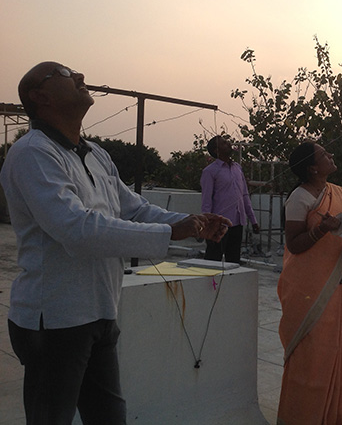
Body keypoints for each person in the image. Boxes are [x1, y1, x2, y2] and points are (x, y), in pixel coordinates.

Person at [0, 61, 232, 425]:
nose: (78, 77)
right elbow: (77, 229)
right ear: (39, 97)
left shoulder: (94, 154)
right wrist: (173, 233)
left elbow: (133, 209)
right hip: (56, 320)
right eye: (63, 73)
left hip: (100, 311)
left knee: (109, 416)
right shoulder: (32, 153)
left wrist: (192, 224)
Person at [276, 141, 342, 425]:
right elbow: (295, 244)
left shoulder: (339, 195)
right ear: (312, 168)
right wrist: (321, 230)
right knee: (309, 358)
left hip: (335, 285)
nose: (331, 155)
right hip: (307, 289)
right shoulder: (300, 197)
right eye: (324, 154)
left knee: (331, 354)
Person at [200, 135, 260, 264]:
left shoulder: (237, 168)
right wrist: (207, 225)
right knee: (213, 260)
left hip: (237, 223)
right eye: (223, 143)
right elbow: (206, 201)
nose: (228, 143)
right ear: (216, 150)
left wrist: (253, 220)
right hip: (218, 225)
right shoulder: (210, 172)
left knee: (233, 262)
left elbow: (244, 195)